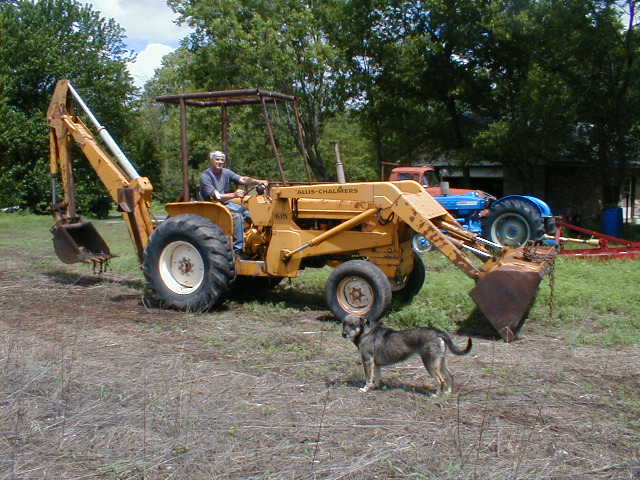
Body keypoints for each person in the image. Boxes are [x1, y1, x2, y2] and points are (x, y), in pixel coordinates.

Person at [199, 150, 268, 254]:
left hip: (224, 203)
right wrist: (234, 195)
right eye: (217, 159)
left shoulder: (226, 172)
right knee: (237, 216)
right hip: (212, 204)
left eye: (222, 160)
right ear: (211, 160)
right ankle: (238, 250)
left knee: (249, 213)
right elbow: (216, 196)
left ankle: (254, 241)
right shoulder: (206, 176)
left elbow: (243, 179)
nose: (220, 162)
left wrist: (259, 181)